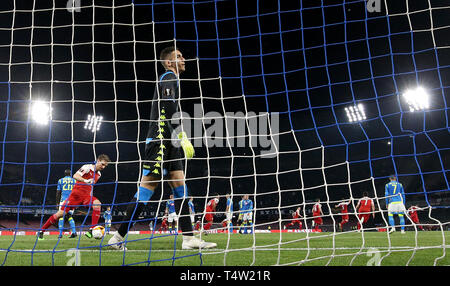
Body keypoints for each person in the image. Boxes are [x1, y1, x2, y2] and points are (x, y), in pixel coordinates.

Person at [108, 46, 216, 250]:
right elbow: (167, 105)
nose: (184, 59)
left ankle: (189, 238)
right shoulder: (168, 76)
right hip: (159, 141)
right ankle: (117, 238)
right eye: (179, 56)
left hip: (169, 141)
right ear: (168, 62)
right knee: (147, 189)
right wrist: (181, 133)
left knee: (180, 186)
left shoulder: (174, 80)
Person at [38, 154, 110, 240]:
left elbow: (90, 186)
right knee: (60, 214)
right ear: (98, 160)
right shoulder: (87, 167)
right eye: (102, 164)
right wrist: (85, 180)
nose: (103, 167)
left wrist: (90, 196)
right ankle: (42, 231)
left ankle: (91, 230)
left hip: (86, 197)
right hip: (75, 196)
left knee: (97, 204)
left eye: (105, 165)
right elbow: (75, 176)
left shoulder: (99, 174)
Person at [55, 169, 77, 238]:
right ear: (70, 174)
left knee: (61, 216)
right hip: (71, 201)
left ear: (64, 174)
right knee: (69, 216)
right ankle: (74, 232)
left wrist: (57, 203)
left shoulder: (60, 180)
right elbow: (76, 192)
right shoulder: (74, 181)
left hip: (63, 201)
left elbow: (58, 193)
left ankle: (60, 234)